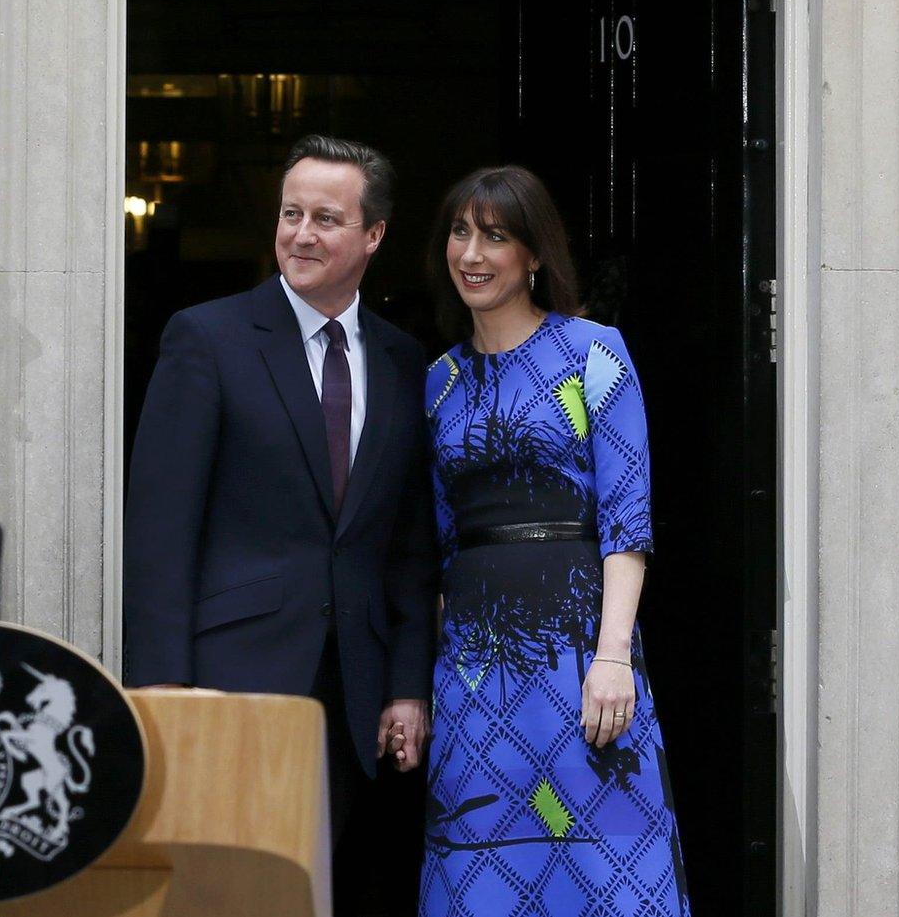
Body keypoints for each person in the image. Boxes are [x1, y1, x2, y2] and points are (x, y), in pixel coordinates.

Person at [124, 135, 438, 912]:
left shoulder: (404, 360)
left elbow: (407, 542)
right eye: (291, 213)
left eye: (326, 218)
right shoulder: (207, 337)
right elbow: (160, 530)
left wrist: (406, 683)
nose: (301, 233)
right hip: (231, 680)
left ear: (373, 235)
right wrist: (163, 687)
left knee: (328, 888)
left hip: (355, 695)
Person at [418, 166, 691, 916]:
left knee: (604, 872)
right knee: (478, 875)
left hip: (579, 661)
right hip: (474, 673)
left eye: (496, 236)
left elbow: (627, 521)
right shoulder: (439, 381)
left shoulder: (594, 352)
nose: (472, 252)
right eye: (461, 232)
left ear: (534, 255)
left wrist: (612, 657)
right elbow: (441, 539)